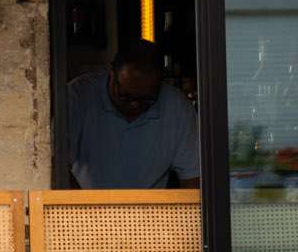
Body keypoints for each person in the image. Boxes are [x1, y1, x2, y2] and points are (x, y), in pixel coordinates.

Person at [65, 39, 200, 190]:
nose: (135, 105)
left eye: (147, 99)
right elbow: (57, 166)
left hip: (151, 211)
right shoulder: (78, 96)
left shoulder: (177, 107)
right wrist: (84, 210)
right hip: (85, 207)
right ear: (111, 74)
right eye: (126, 96)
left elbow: (193, 179)